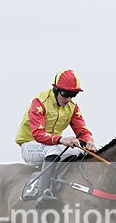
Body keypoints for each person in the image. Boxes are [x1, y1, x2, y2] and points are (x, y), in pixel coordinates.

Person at [14, 69, 97, 208]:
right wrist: (62, 140)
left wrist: (89, 142)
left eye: (73, 95)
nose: (68, 99)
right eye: (65, 94)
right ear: (56, 90)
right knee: (54, 148)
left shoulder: (72, 107)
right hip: (30, 145)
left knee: (81, 151)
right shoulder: (40, 102)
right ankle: (42, 194)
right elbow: (38, 134)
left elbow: (83, 131)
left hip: (54, 146)